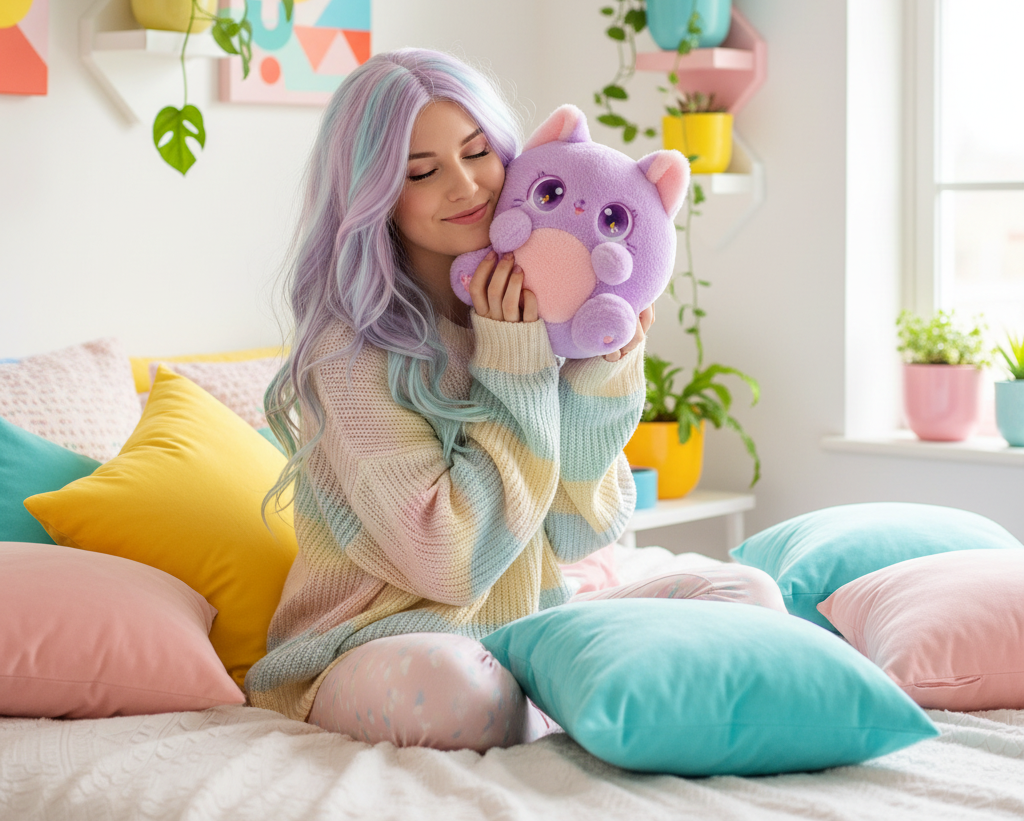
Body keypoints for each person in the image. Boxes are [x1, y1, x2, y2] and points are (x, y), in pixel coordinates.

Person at [246, 48, 784, 750]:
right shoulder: (348, 356)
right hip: (373, 645)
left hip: (527, 622)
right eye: (422, 171)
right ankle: (566, 697)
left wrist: (601, 369)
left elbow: (579, 533)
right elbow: (450, 562)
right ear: (373, 193)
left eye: (478, 153)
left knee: (747, 598)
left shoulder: (535, 309)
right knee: (469, 695)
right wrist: (514, 364)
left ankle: (562, 690)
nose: (466, 185)